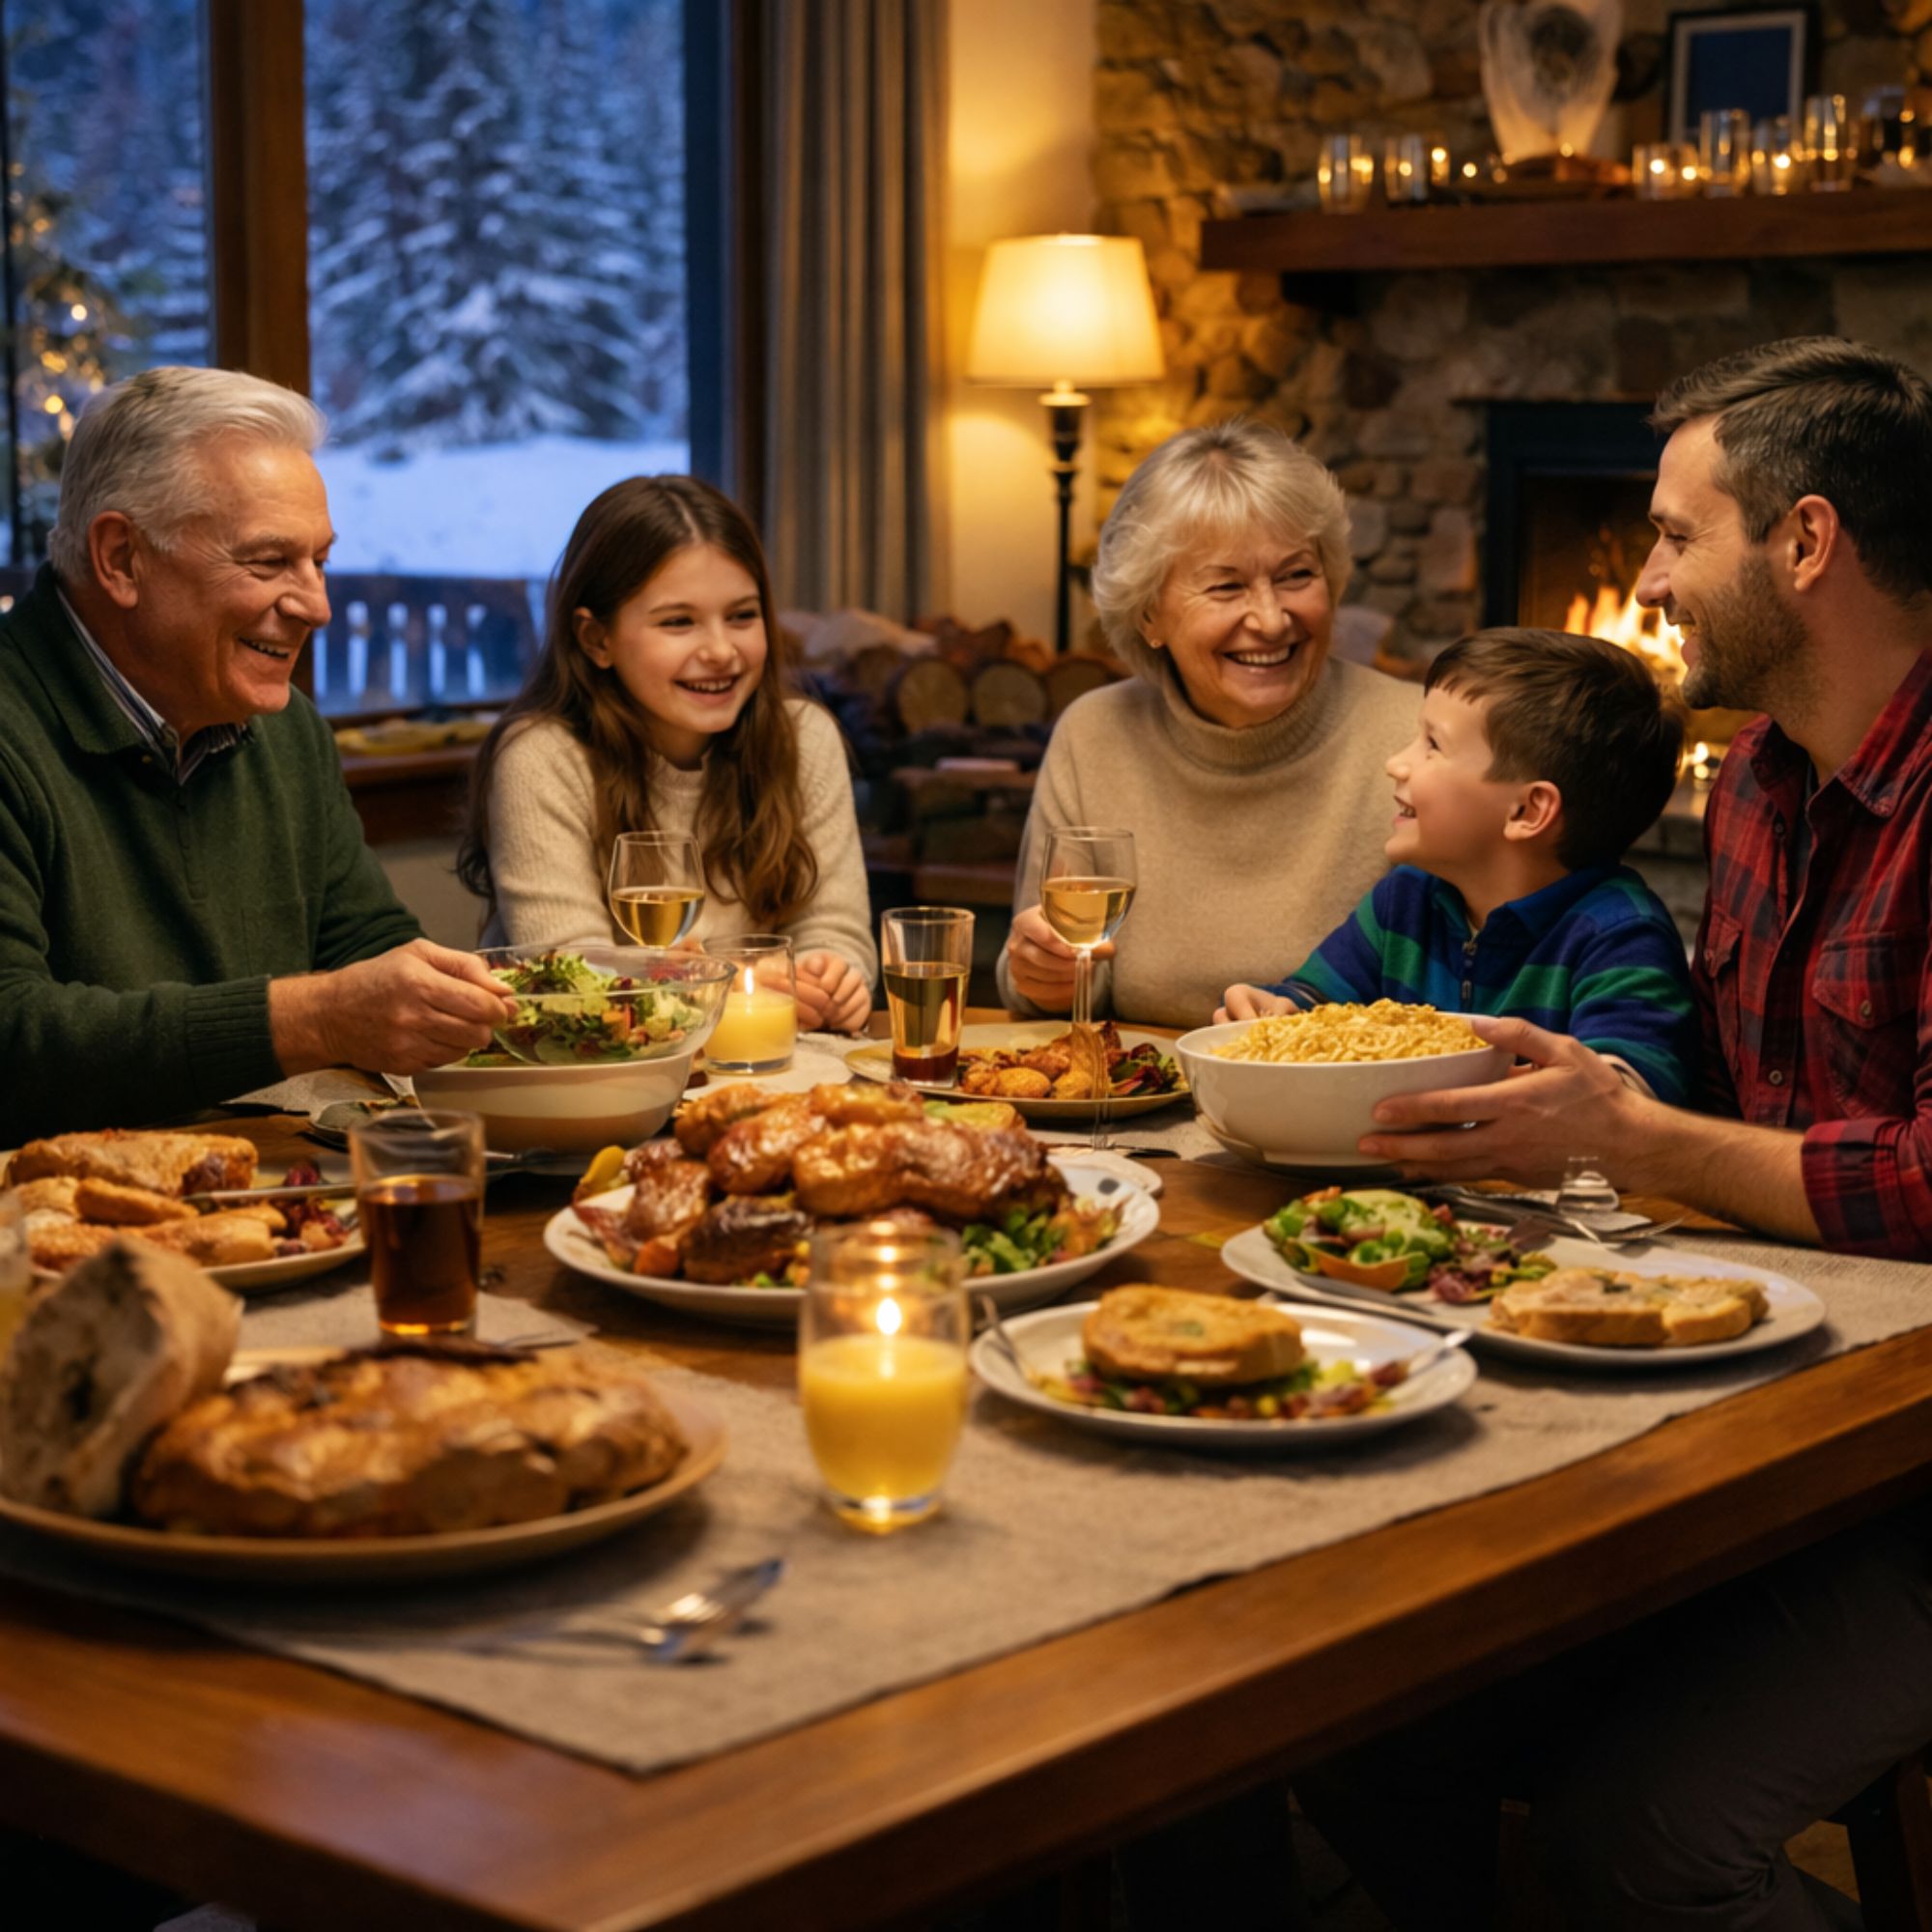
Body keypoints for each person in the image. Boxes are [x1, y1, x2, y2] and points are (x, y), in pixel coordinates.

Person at [1296, 336, 1932, 1931]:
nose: (1643, 578)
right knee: (1357, 1720)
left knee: (1632, 1849)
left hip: (1911, 1489)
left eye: (1672, 534)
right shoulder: (1764, 789)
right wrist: (1569, 1128)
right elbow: (1713, 1118)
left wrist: (1638, 1145)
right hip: (1784, 1427)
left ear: (1804, 541)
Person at [0, 366, 515, 1144]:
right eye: (269, 563)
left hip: (267, 1201)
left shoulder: (284, 730)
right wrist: (314, 1016)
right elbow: (14, 1040)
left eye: (320, 561)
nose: (317, 605)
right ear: (121, 558)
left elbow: (365, 949)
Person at [997, 419, 1414, 1028]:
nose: (1271, 620)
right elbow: (1050, 985)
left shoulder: (1418, 736)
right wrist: (1046, 975)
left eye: (1297, 575)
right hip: (1143, 1105)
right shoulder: (1094, 736)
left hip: (1346, 1109)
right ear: (1148, 615)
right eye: (1226, 587)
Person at [457, 476, 877, 1031]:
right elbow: (567, 978)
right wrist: (720, 978)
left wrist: (833, 976)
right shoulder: (541, 756)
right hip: (588, 1083)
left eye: (743, 616)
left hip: (768, 1069)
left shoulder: (804, 737)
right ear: (596, 640)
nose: (722, 651)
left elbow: (837, 931)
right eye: (678, 622)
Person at [1219, 627, 1696, 1104]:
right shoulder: (1407, 898)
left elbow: (1632, 1099)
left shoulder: (1620, 934)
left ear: (1527, 812)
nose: (1396, 763)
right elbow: (1315, 1004)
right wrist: (1275, 1011)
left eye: (1433, 745)